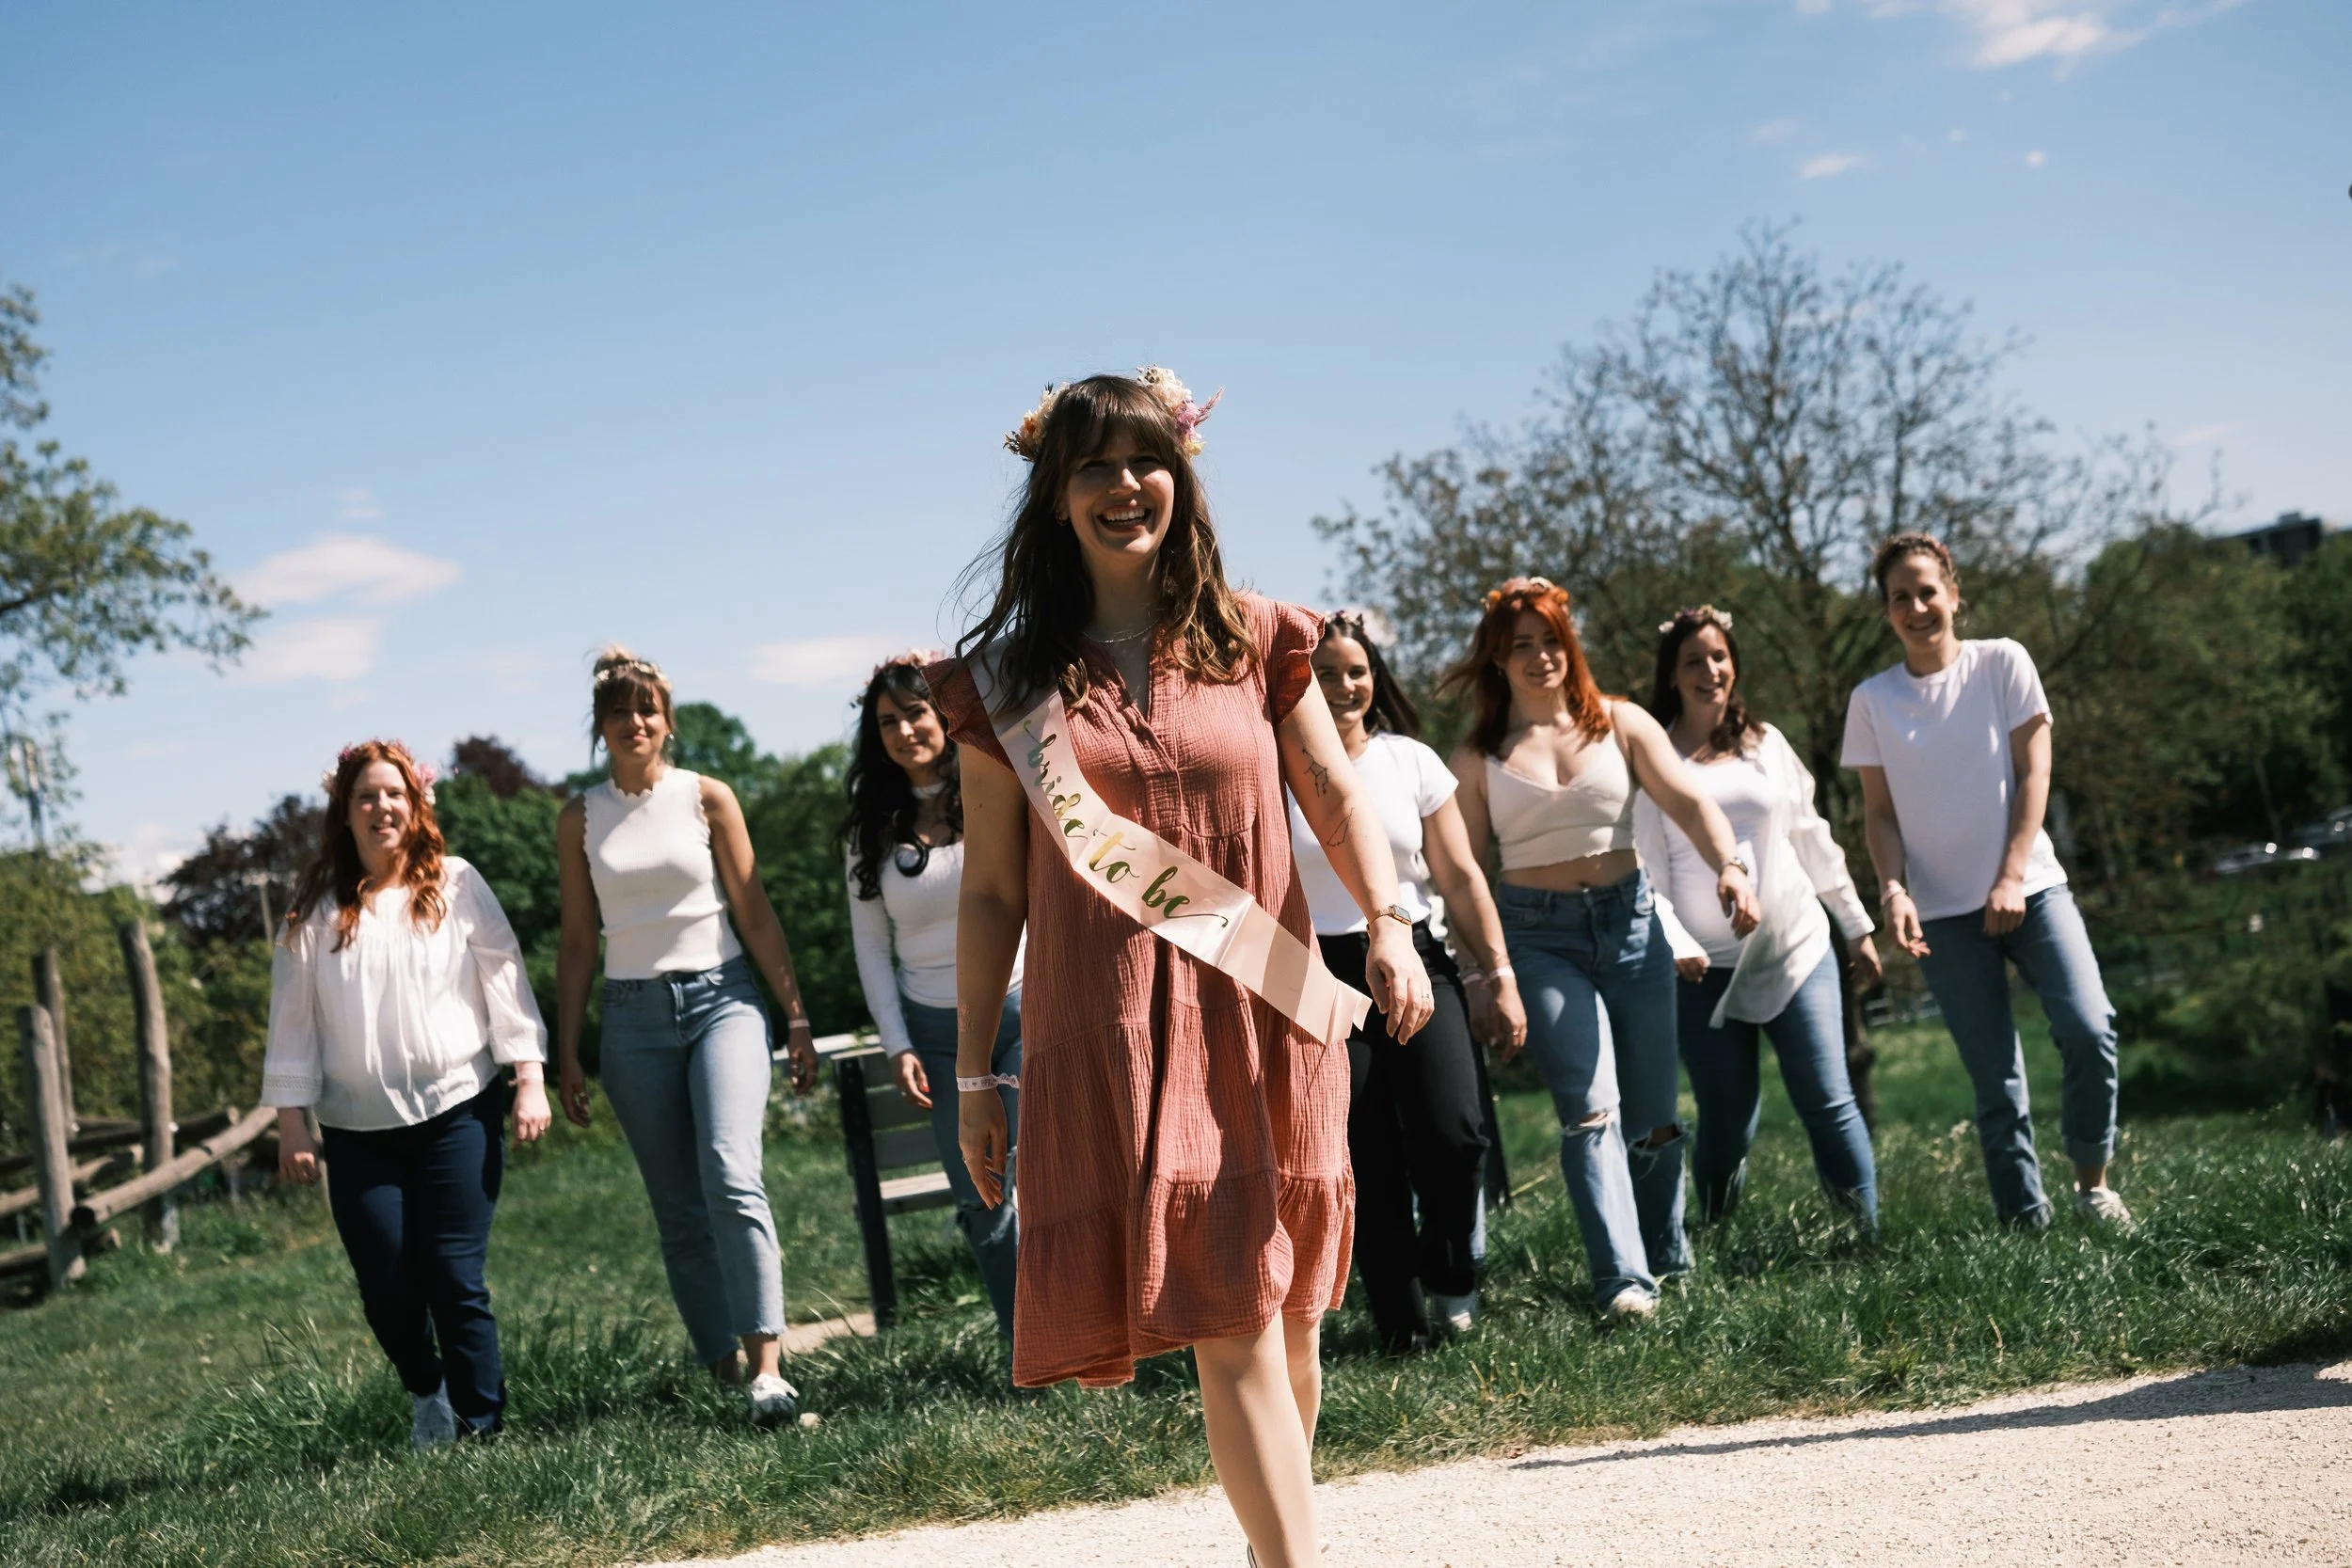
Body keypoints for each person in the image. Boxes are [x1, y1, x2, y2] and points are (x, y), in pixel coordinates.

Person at [930, 367, 1433, 1568]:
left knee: (1289, 1315)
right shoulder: (1010, 681)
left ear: (1182, 476)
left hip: (1265, 1006)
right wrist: (971, 1075)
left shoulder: (1259, 637)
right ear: (1054, 494)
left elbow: (1335, 794)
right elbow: (994, 887)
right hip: (1117, 1027)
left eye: (1144, 459)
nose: (1123, 486)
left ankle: (1279, 1541)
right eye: (1093, 465)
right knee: (1232, 1314)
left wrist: (1395, 922)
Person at [1448, 577, 1758, 1321]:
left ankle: (1668, 1257)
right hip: (1538, 937)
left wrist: (1732, 868)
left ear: (1570, 645)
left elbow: (1690, 803)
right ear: (1496, 659)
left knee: (1652, 1115)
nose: (1540, 655)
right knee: (1590, 1110)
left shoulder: (1619, 723)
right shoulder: (1478, 757)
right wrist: (1485, 972)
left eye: (1551, 639)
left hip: (1631, 926)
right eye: (1520, 644)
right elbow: (1459, 875)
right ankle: (1622, 1280)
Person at [553, 646, 823, 1425]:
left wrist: (796, 1014)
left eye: (646, 709)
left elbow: (757, 911)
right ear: (600, 726)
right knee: (676, 1205)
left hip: (724, 999)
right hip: (631, 1018)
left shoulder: (708, 798)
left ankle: (769, 1368)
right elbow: (577, 940)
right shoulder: (579, 817)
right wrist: (567, 1049)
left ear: (667, 720)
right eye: (617, 711)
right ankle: (723, 1370)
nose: (633, 722)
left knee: (729, 1170)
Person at [263, 738, 550, 1448]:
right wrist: (291, 1124)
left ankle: (482, 1427)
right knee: (388, 1285)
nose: (381, 806)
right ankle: (428, 1391)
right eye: (366, 796)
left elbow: (505, 979)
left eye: (394, 793)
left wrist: (529, 1079)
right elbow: (292, 1023)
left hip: (458, 1108)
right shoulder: (313, 910)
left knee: (455, 1276)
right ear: (346, 812)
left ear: (415, 803)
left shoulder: (455, 883)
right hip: (359, 1131)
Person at [1841, 533, 2131, 1229]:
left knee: (2090, 1028)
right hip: (1944, 914)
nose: (1916, 606)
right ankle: (2024, 1229)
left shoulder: (2003, 663)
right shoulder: (1872, 701)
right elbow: (1879, 815)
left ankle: (2092, 1186)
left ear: (1953, 592)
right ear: (1886, 612)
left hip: (2030, 891)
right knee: (1997, 1083)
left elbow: (2035, 773)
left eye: (1926, 590)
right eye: (1899, 597)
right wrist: (1894, 890)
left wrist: (2009, 876)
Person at [1289, 608, 1526, 1351]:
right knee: (1365, 1154)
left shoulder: (1411, 760)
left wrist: (1499, 972)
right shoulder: (1278, 769)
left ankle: (1452, 1271)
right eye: (1325, 673)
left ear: (1376, 677)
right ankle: (1400, 1324)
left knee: (1455, 1133)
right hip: (1320, 970)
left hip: (1415, 952)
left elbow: (1459, 874)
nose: (1343, 684)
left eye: (1356, 670)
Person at [1634, 605, 1882, 1230]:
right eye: (1693, 660)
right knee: (1727, 1115)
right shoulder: (1653, 759)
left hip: (1793, 947)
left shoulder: (1766, 744)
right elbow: (1646, 869)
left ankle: (1865, 1235)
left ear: (1734, 666)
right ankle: (1716, 1226)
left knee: (1827, 1097)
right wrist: (1677, 938)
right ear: (1672, 675)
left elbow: (1813, 837)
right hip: (1701, 971)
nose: (1709, 670)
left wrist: (1855, 924)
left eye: (1719, 656)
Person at [841, 650, 1023, 1338]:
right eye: (888, 720)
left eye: (917, 711)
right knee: (984, 1197)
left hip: (1021, 1010)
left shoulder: (995, 782)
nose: (905, 729)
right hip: (937, 1037)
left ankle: (1088, 1340)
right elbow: (869, 946)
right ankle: (1027, 1357)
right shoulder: (869, 831)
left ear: (943, 713)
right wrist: (898, 1043)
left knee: (1044, 1183)